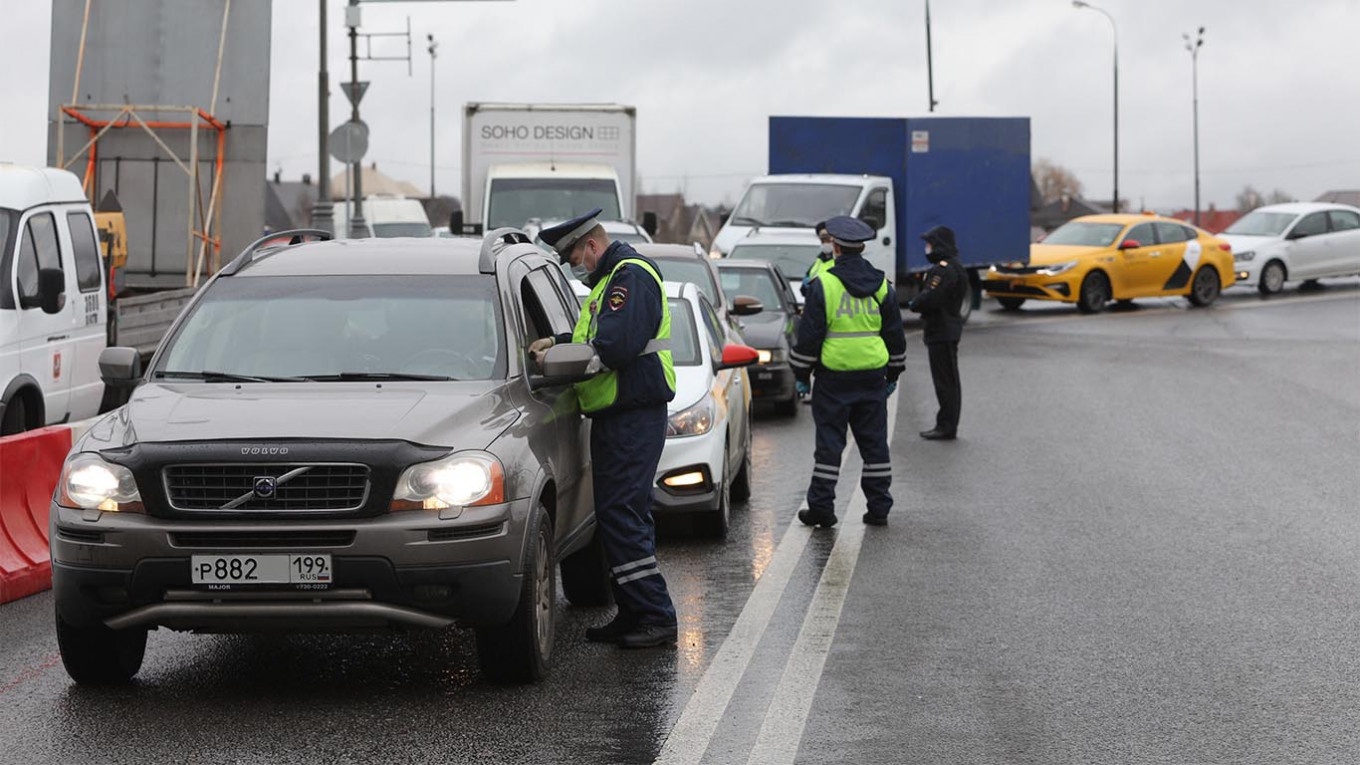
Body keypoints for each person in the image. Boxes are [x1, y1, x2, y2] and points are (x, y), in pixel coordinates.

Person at [529, 207, 679, 649]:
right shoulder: (610, 283)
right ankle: (633, 610)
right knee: (619, 517)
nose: (577, 270)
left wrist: (550, 360)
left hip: (633, 413)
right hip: (618, 414)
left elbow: (613, 345)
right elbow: (589, 338)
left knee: (623, 515)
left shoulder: (628, 277)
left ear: (592, 246)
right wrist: (557, 344)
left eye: (576, 259)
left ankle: (656, 615)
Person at [789, 216, 907, 528]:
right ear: (863, 247)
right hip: (872, 375)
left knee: (830, 445)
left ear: (836, 247)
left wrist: (801, 374)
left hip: (834, 377)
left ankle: (822, 509)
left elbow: (809, 336)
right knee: (874, 444)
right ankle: (879, 508)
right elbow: (895, 334)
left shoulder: (824, 284)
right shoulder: (882, 285)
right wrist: (893, 374)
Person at [907, 225, 967, 440]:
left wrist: (914, 304)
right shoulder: (951, 267)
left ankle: (946, 426)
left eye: (930, 244)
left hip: (942, 330)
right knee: (946, 380)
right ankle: (946, 423)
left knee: (946, 382)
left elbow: (932, 297)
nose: (927, 248)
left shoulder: (944, 270)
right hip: (944, 330)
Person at [801, 220, 834, 298]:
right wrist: (806, 286)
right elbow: (803, 290)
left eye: (828, 239)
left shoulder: (840, 262)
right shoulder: (819, 261)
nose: (825, 243)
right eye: (823, 240)